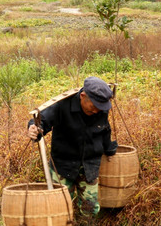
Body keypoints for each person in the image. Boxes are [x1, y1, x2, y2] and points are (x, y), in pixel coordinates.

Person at [27, 76, 118, 217]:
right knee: (59, 208)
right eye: (93, 107)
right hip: (63, 165)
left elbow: (104, 130)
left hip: (89, 165)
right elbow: (41, 121)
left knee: (90, 208)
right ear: (82, 96)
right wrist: (34, 129)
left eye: (100, 108)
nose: (96, 111)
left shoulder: (100, 109)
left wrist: (109, 147)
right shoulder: (62, 105)